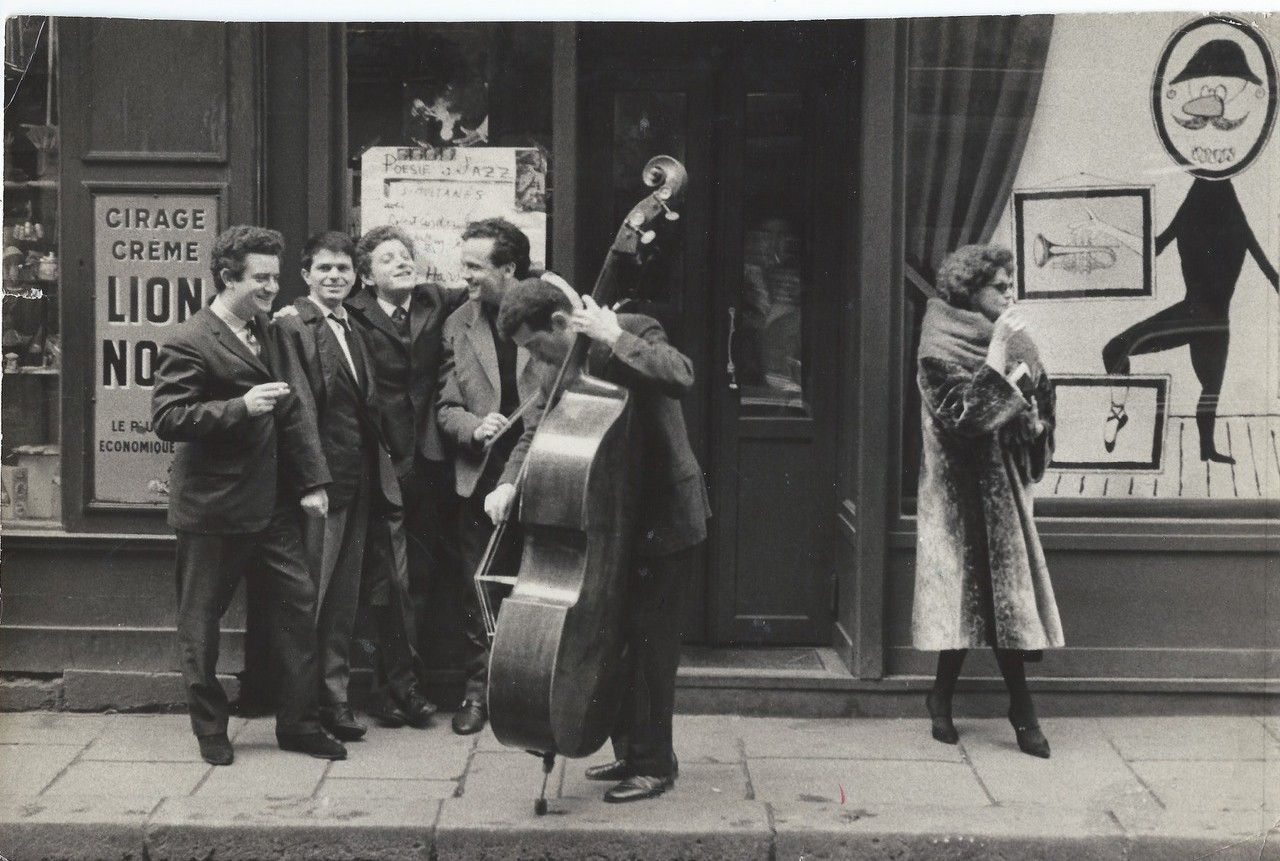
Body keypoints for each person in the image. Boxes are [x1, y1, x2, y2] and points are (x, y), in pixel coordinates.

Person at [486, 275, 711, 803]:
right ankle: (632, 752)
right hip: (606, 522)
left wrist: (614, 337)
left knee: (652, 646)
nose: (533, 358)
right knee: (615, 638)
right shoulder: (553, 364)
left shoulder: (633, 328)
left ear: (561, 323)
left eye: (536, 344)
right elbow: (536, 429)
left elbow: (681, 376)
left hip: (662, 517)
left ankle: (655, 765)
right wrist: (506, 484)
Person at [151, 225, 345, 765]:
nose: (270, 288)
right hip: (212, 511)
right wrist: (241, 407)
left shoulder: (274, 331)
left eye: (275, 277)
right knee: (201, 627)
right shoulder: (189, 339)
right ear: (227, 277)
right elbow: (168, 418)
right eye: (260, 278)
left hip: (273, 507)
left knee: (298, 609)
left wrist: (312, 483)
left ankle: (299, 725)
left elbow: (296, 412)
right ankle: (211, 731)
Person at [912, 243, 1062, 760]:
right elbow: (966, 417)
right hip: (955, 497)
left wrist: (1036, 418)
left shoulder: (1015, 341)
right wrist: (999, 350)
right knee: (967, 602)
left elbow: (1041, 410)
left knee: (1004, 602)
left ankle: (1012, 707)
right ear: (970, 292)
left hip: (1004, 496)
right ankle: (961, 701)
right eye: (998, 286)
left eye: (1009, 284)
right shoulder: (939, 345)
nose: (1008, 293)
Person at [270, 230, 405, 742]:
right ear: (305, 275)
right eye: (324, 269)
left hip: (359, 482)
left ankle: (334, 700)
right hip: (321, 489)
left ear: (356, 276)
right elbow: (297, 409)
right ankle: (303, 711)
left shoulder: (353, 324)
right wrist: (312, 482)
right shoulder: (294, 326)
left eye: (344, 269)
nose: (334, 277)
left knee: (343, 603)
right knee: (312, 601)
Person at [344, 224, 468, 728]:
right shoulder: (350, 314)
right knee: (386, 578)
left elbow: (497, 287)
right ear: (367, 276)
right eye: (388, 258)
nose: (402, 263)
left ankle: (393, 687)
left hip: (430, 459)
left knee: (417, 575)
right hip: (380, 461)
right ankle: (397, 686)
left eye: (406, 255)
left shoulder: (435, 300)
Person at [436, 217, 549, 735]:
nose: (467, 277)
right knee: (476, 589)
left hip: (548, 470)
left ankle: (536, 694)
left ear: (509, 268)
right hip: (480, 477)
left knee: (542, 588)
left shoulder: (550, 313)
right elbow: (445, 405)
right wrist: (473, 427)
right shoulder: (458, 321)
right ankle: (479, 694)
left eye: (476, 267)